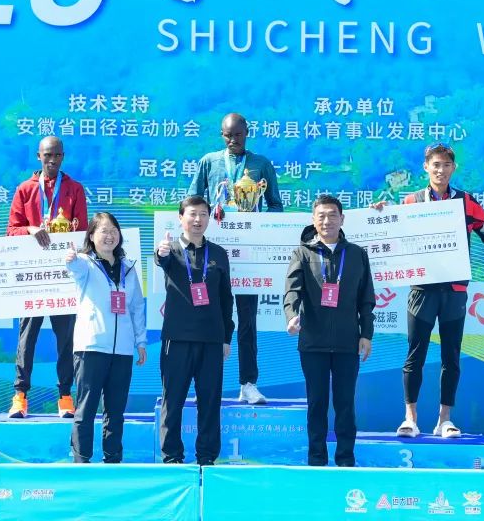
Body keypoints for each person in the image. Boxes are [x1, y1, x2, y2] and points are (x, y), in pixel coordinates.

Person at [383, 144, 484, 439]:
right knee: (415, 355)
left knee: (451, 357)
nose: (440, 170)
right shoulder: (411, 201)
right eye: (435, 165)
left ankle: (444, 420)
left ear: (453, 168)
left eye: (446, 165)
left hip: (454, 289)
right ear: (426, 167)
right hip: (422, 288)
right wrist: (380, 216)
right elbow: (392, 237)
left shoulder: (465, 201)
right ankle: (410, 418)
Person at [189, 112, 282, 405]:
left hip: (249, 254)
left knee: (247, 320)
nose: (232, 140)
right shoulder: (209, 162)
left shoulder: (261, 164)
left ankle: (248, 383)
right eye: (227, 136)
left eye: (238, 135)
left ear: (247, 133)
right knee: (209, 317)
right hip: (214, 254)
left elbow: (275, 205)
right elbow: (192, 201)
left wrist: (257, 224)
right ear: (222, 135)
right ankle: (205, 383)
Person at [284, 194, 374, 467]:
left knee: (345, 404)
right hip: (313, 342)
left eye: (332, 215)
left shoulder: (357, 254)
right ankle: (317, 460)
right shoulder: (303, 253)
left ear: (342, 219)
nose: (327, 221)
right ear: (314, 220)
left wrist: (366, 334)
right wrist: (292, 316)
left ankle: (346, 460)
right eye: (321, 216)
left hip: (348, 342)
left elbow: (366, 299)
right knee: (317, 403)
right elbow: (292, 291)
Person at [6, 136, 89, 419]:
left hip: (63, 277)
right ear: (38, 156)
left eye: (57, 155)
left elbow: (83, 233)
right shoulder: (25, 189)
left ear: (63, 157)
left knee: (66, 339)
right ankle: (20, 396)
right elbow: (11, 231)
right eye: (47, 155)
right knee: (27, 337)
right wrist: (30, 229)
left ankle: (65, 396)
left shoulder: (74, 189)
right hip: (33, 277)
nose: (52, 160)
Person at [154, 195, 235, 465]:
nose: (198, 219)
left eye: (203, 214)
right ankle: (172, 458)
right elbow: (161, 260)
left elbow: (226, 299)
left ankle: (206, 459)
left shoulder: (219, 253)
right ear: (181, 218)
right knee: (173, 401)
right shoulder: (171, 250)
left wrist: (226, 337)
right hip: (177, 339)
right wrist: (161, 252)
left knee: (210, 402)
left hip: (211, 340)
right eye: (192, 214)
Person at [64, 212, 147, 463]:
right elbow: (75, 268)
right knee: (87, 407)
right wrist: (71, 260)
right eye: (103, 231)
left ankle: (113, 458)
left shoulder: (129, 268)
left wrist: (140, 341)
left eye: (114, 230)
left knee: (116, 409)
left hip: (122, 350)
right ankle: (82, 459)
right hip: (91, 347)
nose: (109, 236)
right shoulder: (85, 264)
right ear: (91, 236)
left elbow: (136, 307)